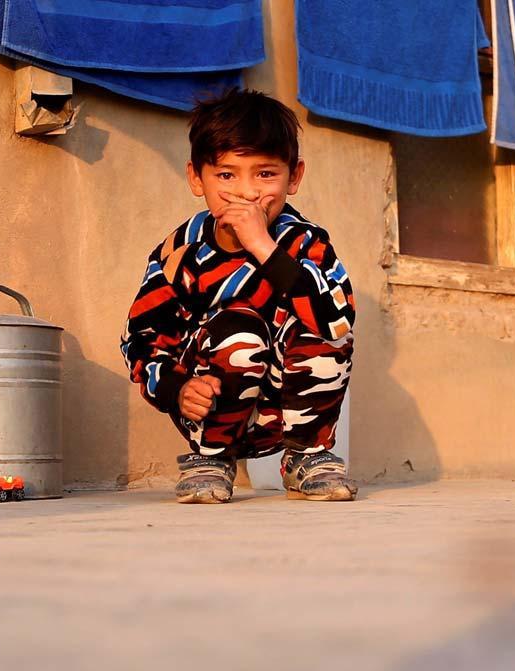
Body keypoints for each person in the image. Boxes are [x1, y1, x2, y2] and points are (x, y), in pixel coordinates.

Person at [120, 88, 356, 504]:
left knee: (319, 317)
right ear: (197, 177)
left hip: (287, 410)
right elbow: (140, 338)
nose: (247, 192)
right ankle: (211, 459)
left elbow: (338, 322)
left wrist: (265, 247)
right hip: (213, 406)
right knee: (239, 327)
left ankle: (307, 457)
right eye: (226, 175)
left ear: (294, 176)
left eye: (265, 174)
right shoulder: (180, 253)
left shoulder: (305, 244)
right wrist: (177, 387)